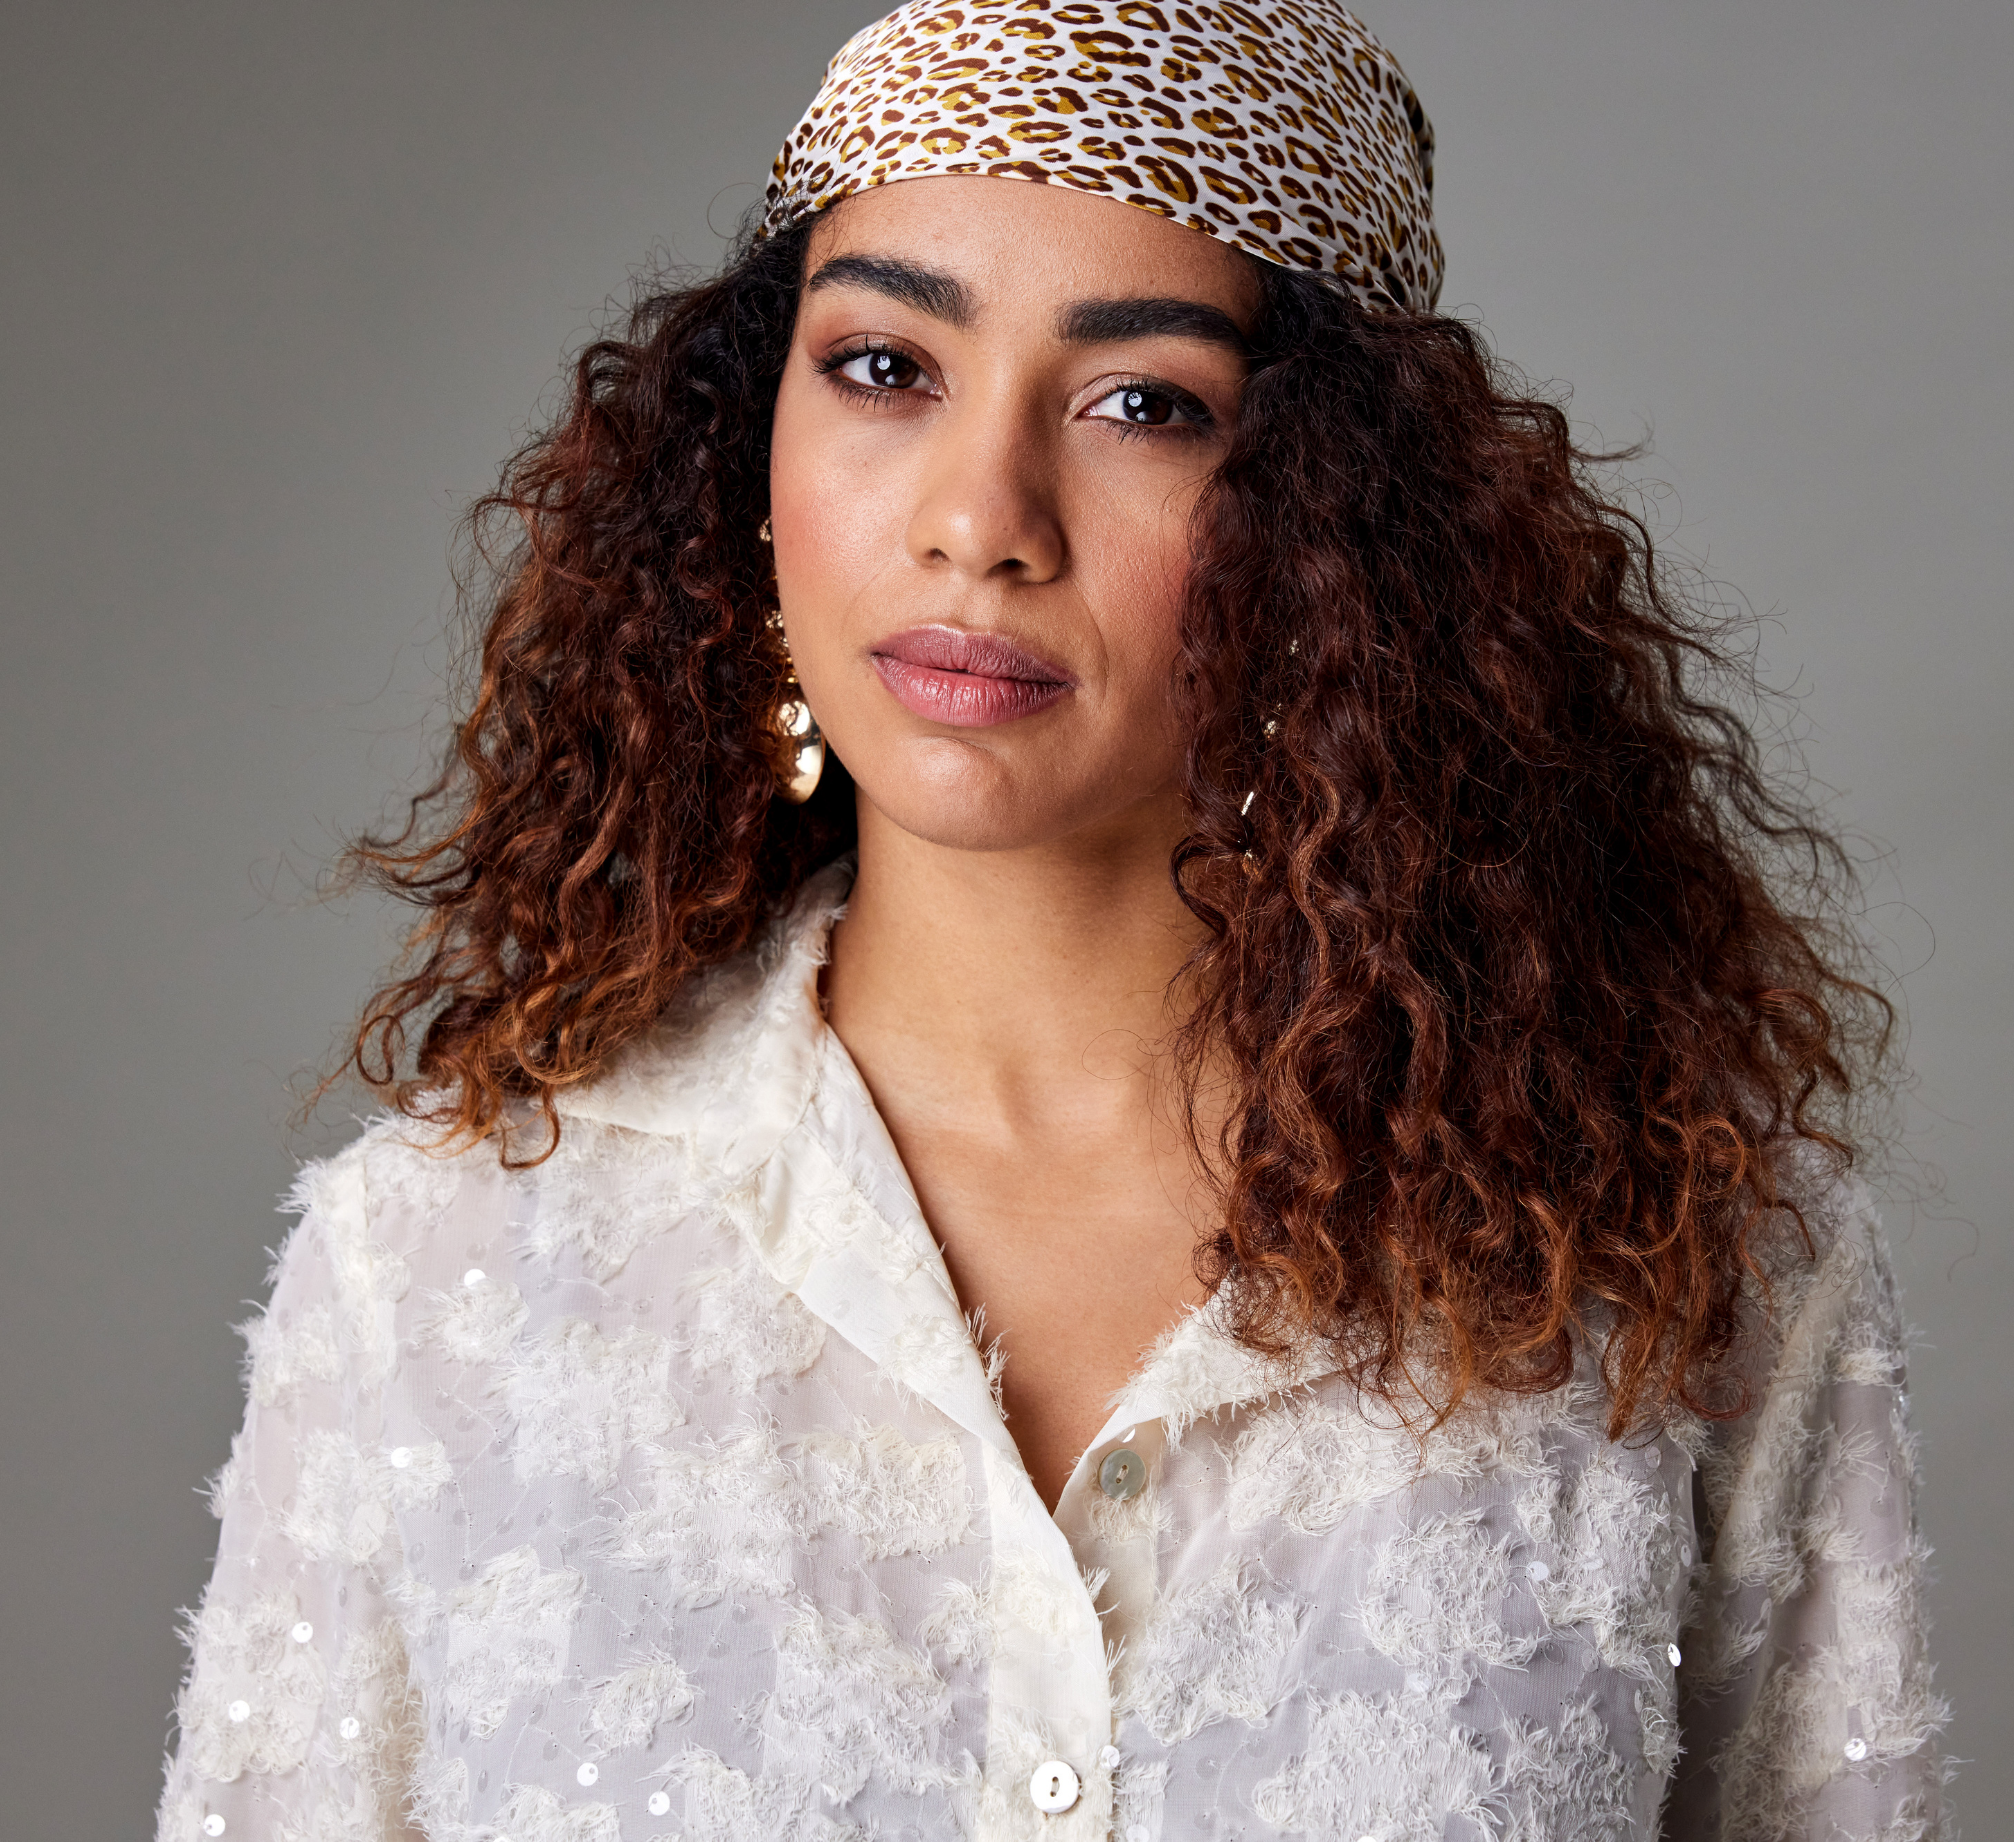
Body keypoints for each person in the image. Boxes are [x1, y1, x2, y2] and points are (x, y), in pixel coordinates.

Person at [155, 3, 1953, 1838]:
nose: (980, 518)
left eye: (1142, 404)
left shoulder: (1691, 1268)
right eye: (883, 367)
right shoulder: (436, 1270)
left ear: (1341, 528)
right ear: (744, 450)